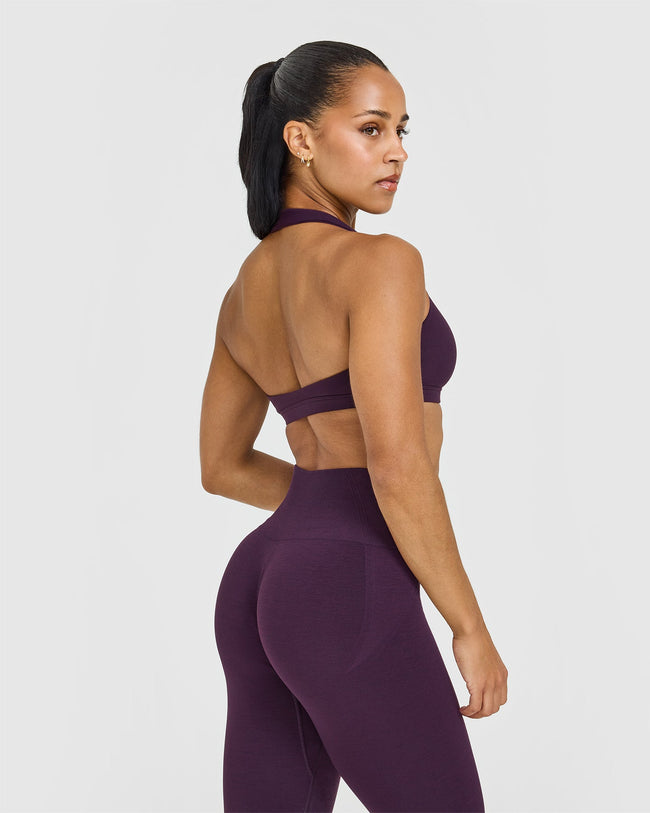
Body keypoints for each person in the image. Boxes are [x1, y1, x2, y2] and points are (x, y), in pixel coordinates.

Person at [199, 40, 508, 813]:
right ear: (300, 139)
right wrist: (469, 626)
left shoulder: (244, 289)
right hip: (344, 585)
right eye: (371, 129)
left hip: (262, 579)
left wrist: (319, 515)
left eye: (402, 130)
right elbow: (397, 465)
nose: (397, 151)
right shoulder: (382, 264)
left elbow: (223, 467)